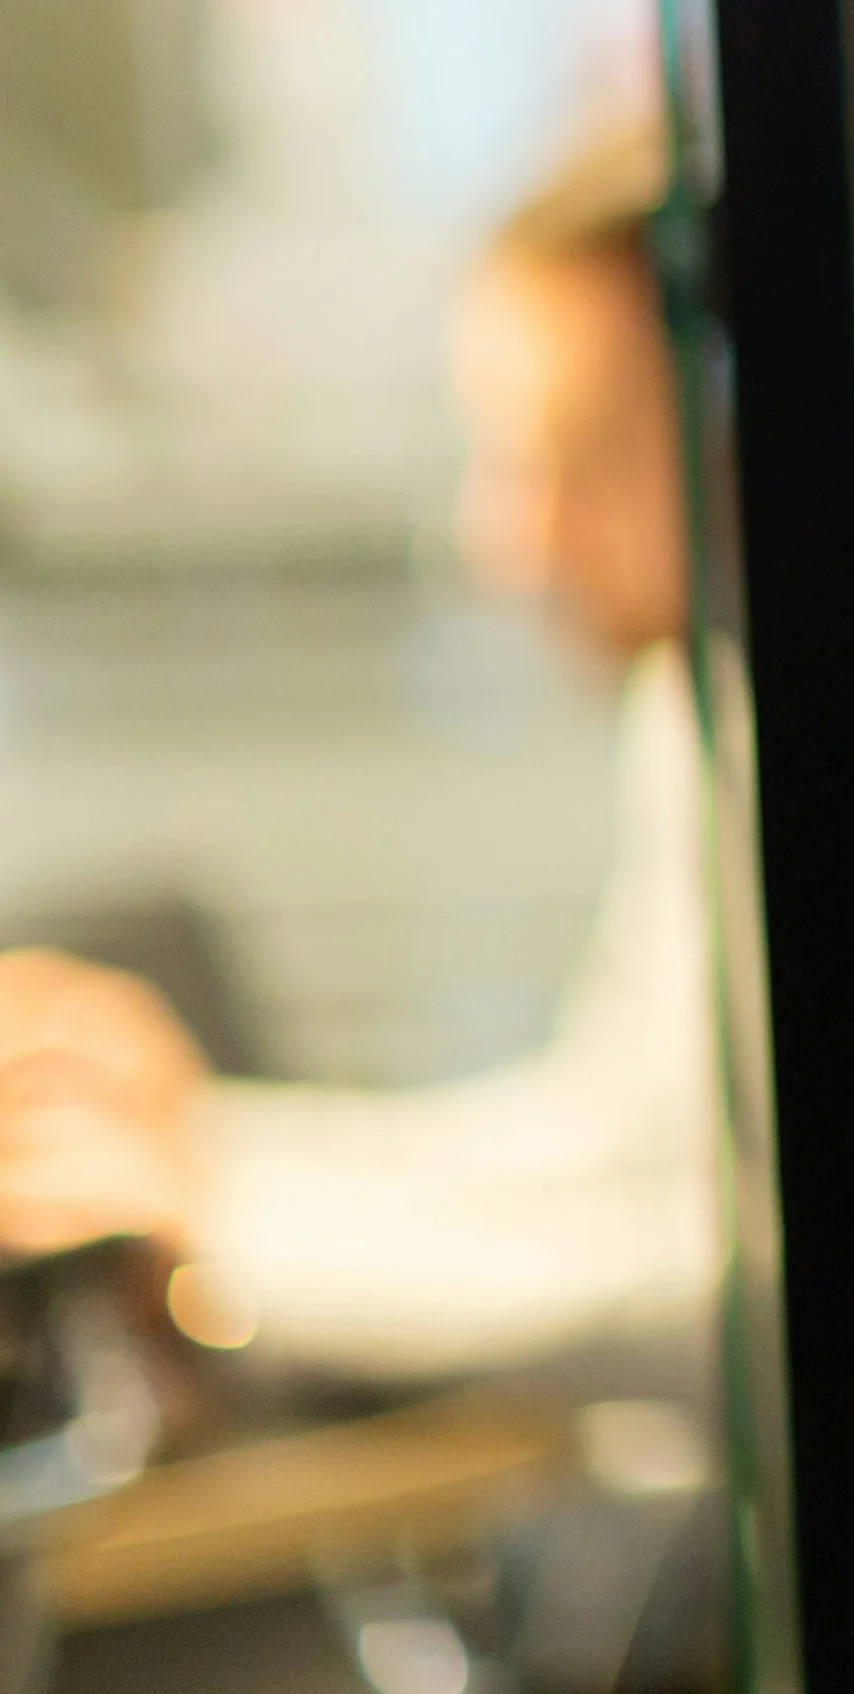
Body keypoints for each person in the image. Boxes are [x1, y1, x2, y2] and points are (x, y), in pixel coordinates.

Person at [0, 120, 719, 1381]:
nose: (508, 541)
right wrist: (194, 1145)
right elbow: (606, 1149)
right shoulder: (700, 698)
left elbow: (705, 1264)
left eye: (572, 461)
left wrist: (201, 1222)